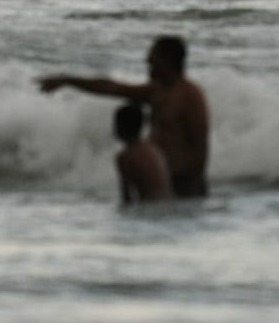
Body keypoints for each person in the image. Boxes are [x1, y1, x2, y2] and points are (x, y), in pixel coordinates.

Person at [38, 36, 210, 198]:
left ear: (168, 59)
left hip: (185, 185)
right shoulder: (157, 91)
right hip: (161, 181)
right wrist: (68, 81)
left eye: (153, 56)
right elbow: (112, 88)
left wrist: (191, 186)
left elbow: (201, 146)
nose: (148, 61)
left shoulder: (190, 95)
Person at [113, 103, 171, 205]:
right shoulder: (153, 149)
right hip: (169, 202)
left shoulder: (125, 156)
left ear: (122, 126)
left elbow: (127, 197)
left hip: (149, 207)